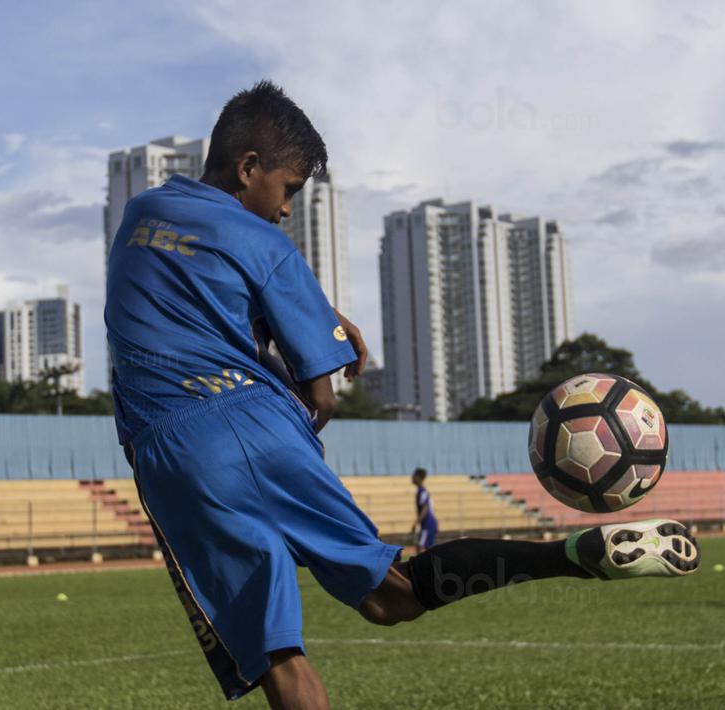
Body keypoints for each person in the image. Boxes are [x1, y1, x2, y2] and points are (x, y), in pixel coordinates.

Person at [104, 80, 701, 709]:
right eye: (288, 191)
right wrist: (302, 379)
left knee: (279, 658)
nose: (285, 211)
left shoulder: (142, 212)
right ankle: (568, 556)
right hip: (262, 428)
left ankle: (572, 555)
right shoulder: (270, 247)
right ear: (248, 168)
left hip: (174, 451)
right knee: (392, 594)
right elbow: (323, 396)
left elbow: (199, 273)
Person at [411, 467, 437, 553]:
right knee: (427, 549)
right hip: (427, 524)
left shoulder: (422, 491)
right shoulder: (420, 491)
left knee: (420, 547)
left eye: (414, 475)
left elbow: (425, 509)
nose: (412, 477)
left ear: (419, 477)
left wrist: (416, 522)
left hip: (428, 524)